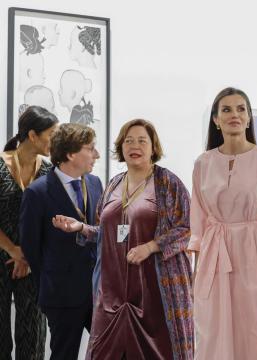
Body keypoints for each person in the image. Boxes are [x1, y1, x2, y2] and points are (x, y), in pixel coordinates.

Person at [52, 119, 194, 359]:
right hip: (112, 293)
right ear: (121, 147)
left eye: (141, 140)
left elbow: (186, 229)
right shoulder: (114, 184)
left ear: (153, 147)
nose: (134, 146)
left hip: (154, 292)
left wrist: (150, 247)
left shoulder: (168, 183)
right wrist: (82, 227)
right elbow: (105, 233)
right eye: (128, 141)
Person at [188, 87, 257, 359]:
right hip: (214, 256)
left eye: (241, 109)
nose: (234, 114)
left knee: (255, 328)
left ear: (248, 118)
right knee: (213, 330)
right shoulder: (203, 163)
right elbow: (197, 223)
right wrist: (196, 276)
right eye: (226, 109)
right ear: (215, 119)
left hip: (254, 252)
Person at [19, 123, 103, 360]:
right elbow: (30, 247)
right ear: (70, 153)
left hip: (98, 291)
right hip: (61, 295)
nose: (96, 154)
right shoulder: (37, 192)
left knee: (112, 352)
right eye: (91, 148)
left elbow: (101, 230)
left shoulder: (96, 183)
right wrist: (50, 281)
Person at [0, 106, 57, 360]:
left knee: (32, 336)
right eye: (51, 134)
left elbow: (51, 222)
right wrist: (13, 249)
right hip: (3, 255)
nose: (55, 141)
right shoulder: (0, 165)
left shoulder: (49, 172)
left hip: (33, 265)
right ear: (33, 135)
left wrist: (29, 258)